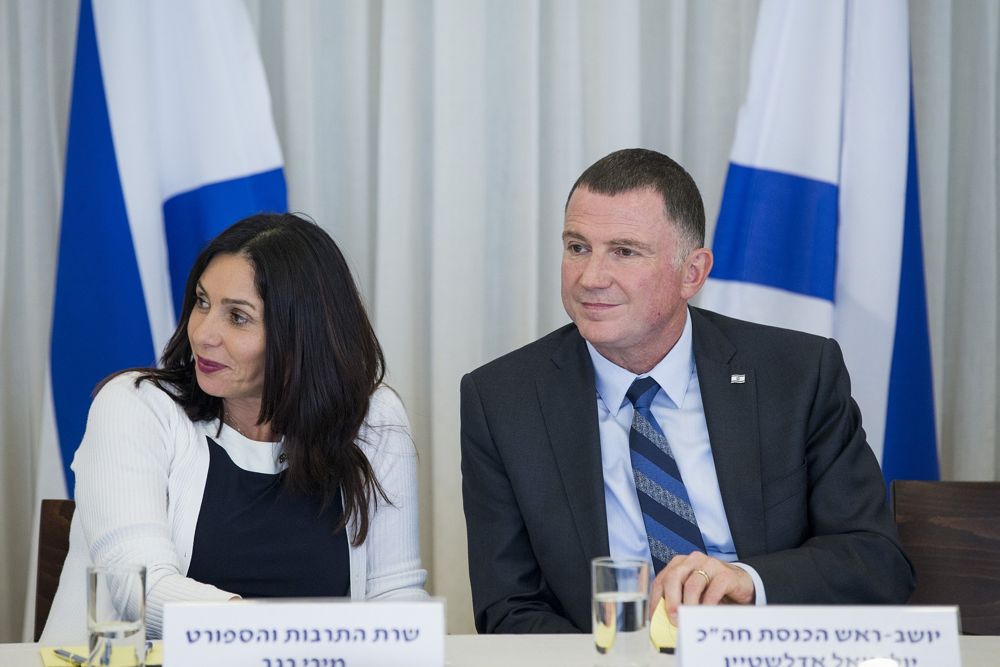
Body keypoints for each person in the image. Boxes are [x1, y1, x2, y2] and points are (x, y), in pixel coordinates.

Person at [460, 148, 915, 634]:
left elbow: (875, 561)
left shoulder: (797, 375)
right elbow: (508, 609)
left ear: (692, 273)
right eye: (577, 247)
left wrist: (746, 581)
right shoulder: (503, 401)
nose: (590, 277)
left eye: (624, 251)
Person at [43, 213, 426, 642]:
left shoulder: (372, 416)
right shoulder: (134, 406)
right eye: (202, 302)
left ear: (302, 334)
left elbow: (396, 592)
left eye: (238, 317)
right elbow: (138, 589)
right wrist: (282, 637)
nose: (204, 333)